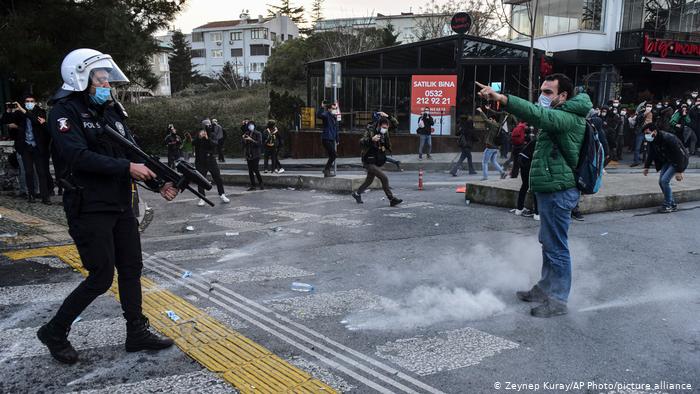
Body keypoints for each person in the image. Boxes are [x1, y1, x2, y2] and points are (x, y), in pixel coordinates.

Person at [38, 48, 178, 364]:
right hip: (88, 205)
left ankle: (136, 331)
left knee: (131, 268)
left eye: (106, 79)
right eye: (100, 79)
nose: (106, 85)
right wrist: (127, 169)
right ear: (80, 78)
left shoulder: (112, 111)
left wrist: (160, 183)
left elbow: (134, 153)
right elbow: (77, 156)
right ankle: (54, 331)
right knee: (101, 276)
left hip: (119, 203)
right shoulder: (64, 112)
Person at [477, 73, 592, 318]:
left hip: (559, 190)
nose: (543, 96)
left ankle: (558, 300)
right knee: (548, 243)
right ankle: (545, 288)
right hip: (550, 188)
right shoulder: (559, 115)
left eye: (549, 92)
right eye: (542, 91)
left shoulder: (568, 117)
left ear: (564, 95)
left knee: (557, 247)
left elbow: (539, 115)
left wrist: (503, 98)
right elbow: (532, 115)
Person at [6, 96, 52, 204]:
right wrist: (8, 111)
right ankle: (31, 195)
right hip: (25, 147)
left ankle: (45, 197)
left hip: (38, 147)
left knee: (41, 172)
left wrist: (23, 110)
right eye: (27, 101)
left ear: (35, 102)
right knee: (29, 172)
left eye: (31, 101)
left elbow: (36, 121)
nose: (29, 103)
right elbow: (7, 122)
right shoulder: (19, 113)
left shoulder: (40, 111)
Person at [351, 116, 402, 207]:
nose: (385, 129)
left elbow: (396, 124)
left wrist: (388, 116)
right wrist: (371, 139)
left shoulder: (385, 132)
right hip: (368, 160)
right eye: (383, 127)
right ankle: (391, 199)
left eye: (386, 128)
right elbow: (361, 142)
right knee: (384, 178)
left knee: (369, 180)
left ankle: (357, 194)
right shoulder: (370, 130)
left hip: (377, 159)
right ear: (379, 125)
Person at [642, 123, 689, 213]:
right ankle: (672, 204)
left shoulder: (669, 138)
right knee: (661, 182)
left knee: (664, 181)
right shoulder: (653, 140)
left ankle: (667, 205)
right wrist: (646, 167)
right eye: (645, 133)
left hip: (678, 161)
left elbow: (679, 154)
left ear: (654, 131)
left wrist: (680, 171)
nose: (646, 135)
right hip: (667, 161)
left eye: (647, 133)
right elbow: (651, 153)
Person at [193, 127, 229, 206]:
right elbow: (193, 143)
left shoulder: (212, 135)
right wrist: (199, 137)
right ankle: (202, 198)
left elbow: (214, 144)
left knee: (217, 177)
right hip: (200, 161)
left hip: (211, 160)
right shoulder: (198, 135)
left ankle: (222, 194)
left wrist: (207, 138)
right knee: (200, 180)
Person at [513, 129, 539, 221]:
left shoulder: (534, 141)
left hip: (523, 163)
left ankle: (519, 209)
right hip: (529, 165)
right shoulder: (540, 143)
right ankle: (537, 213)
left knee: (524, 186)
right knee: (536, 187)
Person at [476, 107, 506, 181]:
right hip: (496, 147)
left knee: (484, 162)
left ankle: (485, 177)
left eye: (490, 119)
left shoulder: (493, 125)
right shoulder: (498, 126)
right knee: (493, 161)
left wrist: (481, 111)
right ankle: (502, 172)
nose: (489, 120)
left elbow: (485, 119)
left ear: (493, 119)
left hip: (490, 147)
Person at [316, 101, 340, 177]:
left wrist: (337, 139)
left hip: (332, 139)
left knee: (332, 155)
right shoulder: (326, 115)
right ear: (329, 109)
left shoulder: (334, 118)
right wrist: (322, 107)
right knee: (334, 155)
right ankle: (326, 170)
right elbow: (319, 115)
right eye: (333, 108)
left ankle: (327, 172)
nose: (334, 110)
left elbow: (336, 130)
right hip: (326, 138)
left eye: (335, 108)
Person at [242, 120, 264, 191]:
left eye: (251, 125)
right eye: (249, 125)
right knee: (250, 171)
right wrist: (244, 139)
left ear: (254, 126)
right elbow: (244, 144)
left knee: (256, 170)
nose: (250, 126)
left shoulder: (258, 133)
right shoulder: (247, 133)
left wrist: (251, 139)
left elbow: (259, 144)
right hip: (249, 154)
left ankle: (261, 183)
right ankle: (253, 185)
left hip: (256, 154)